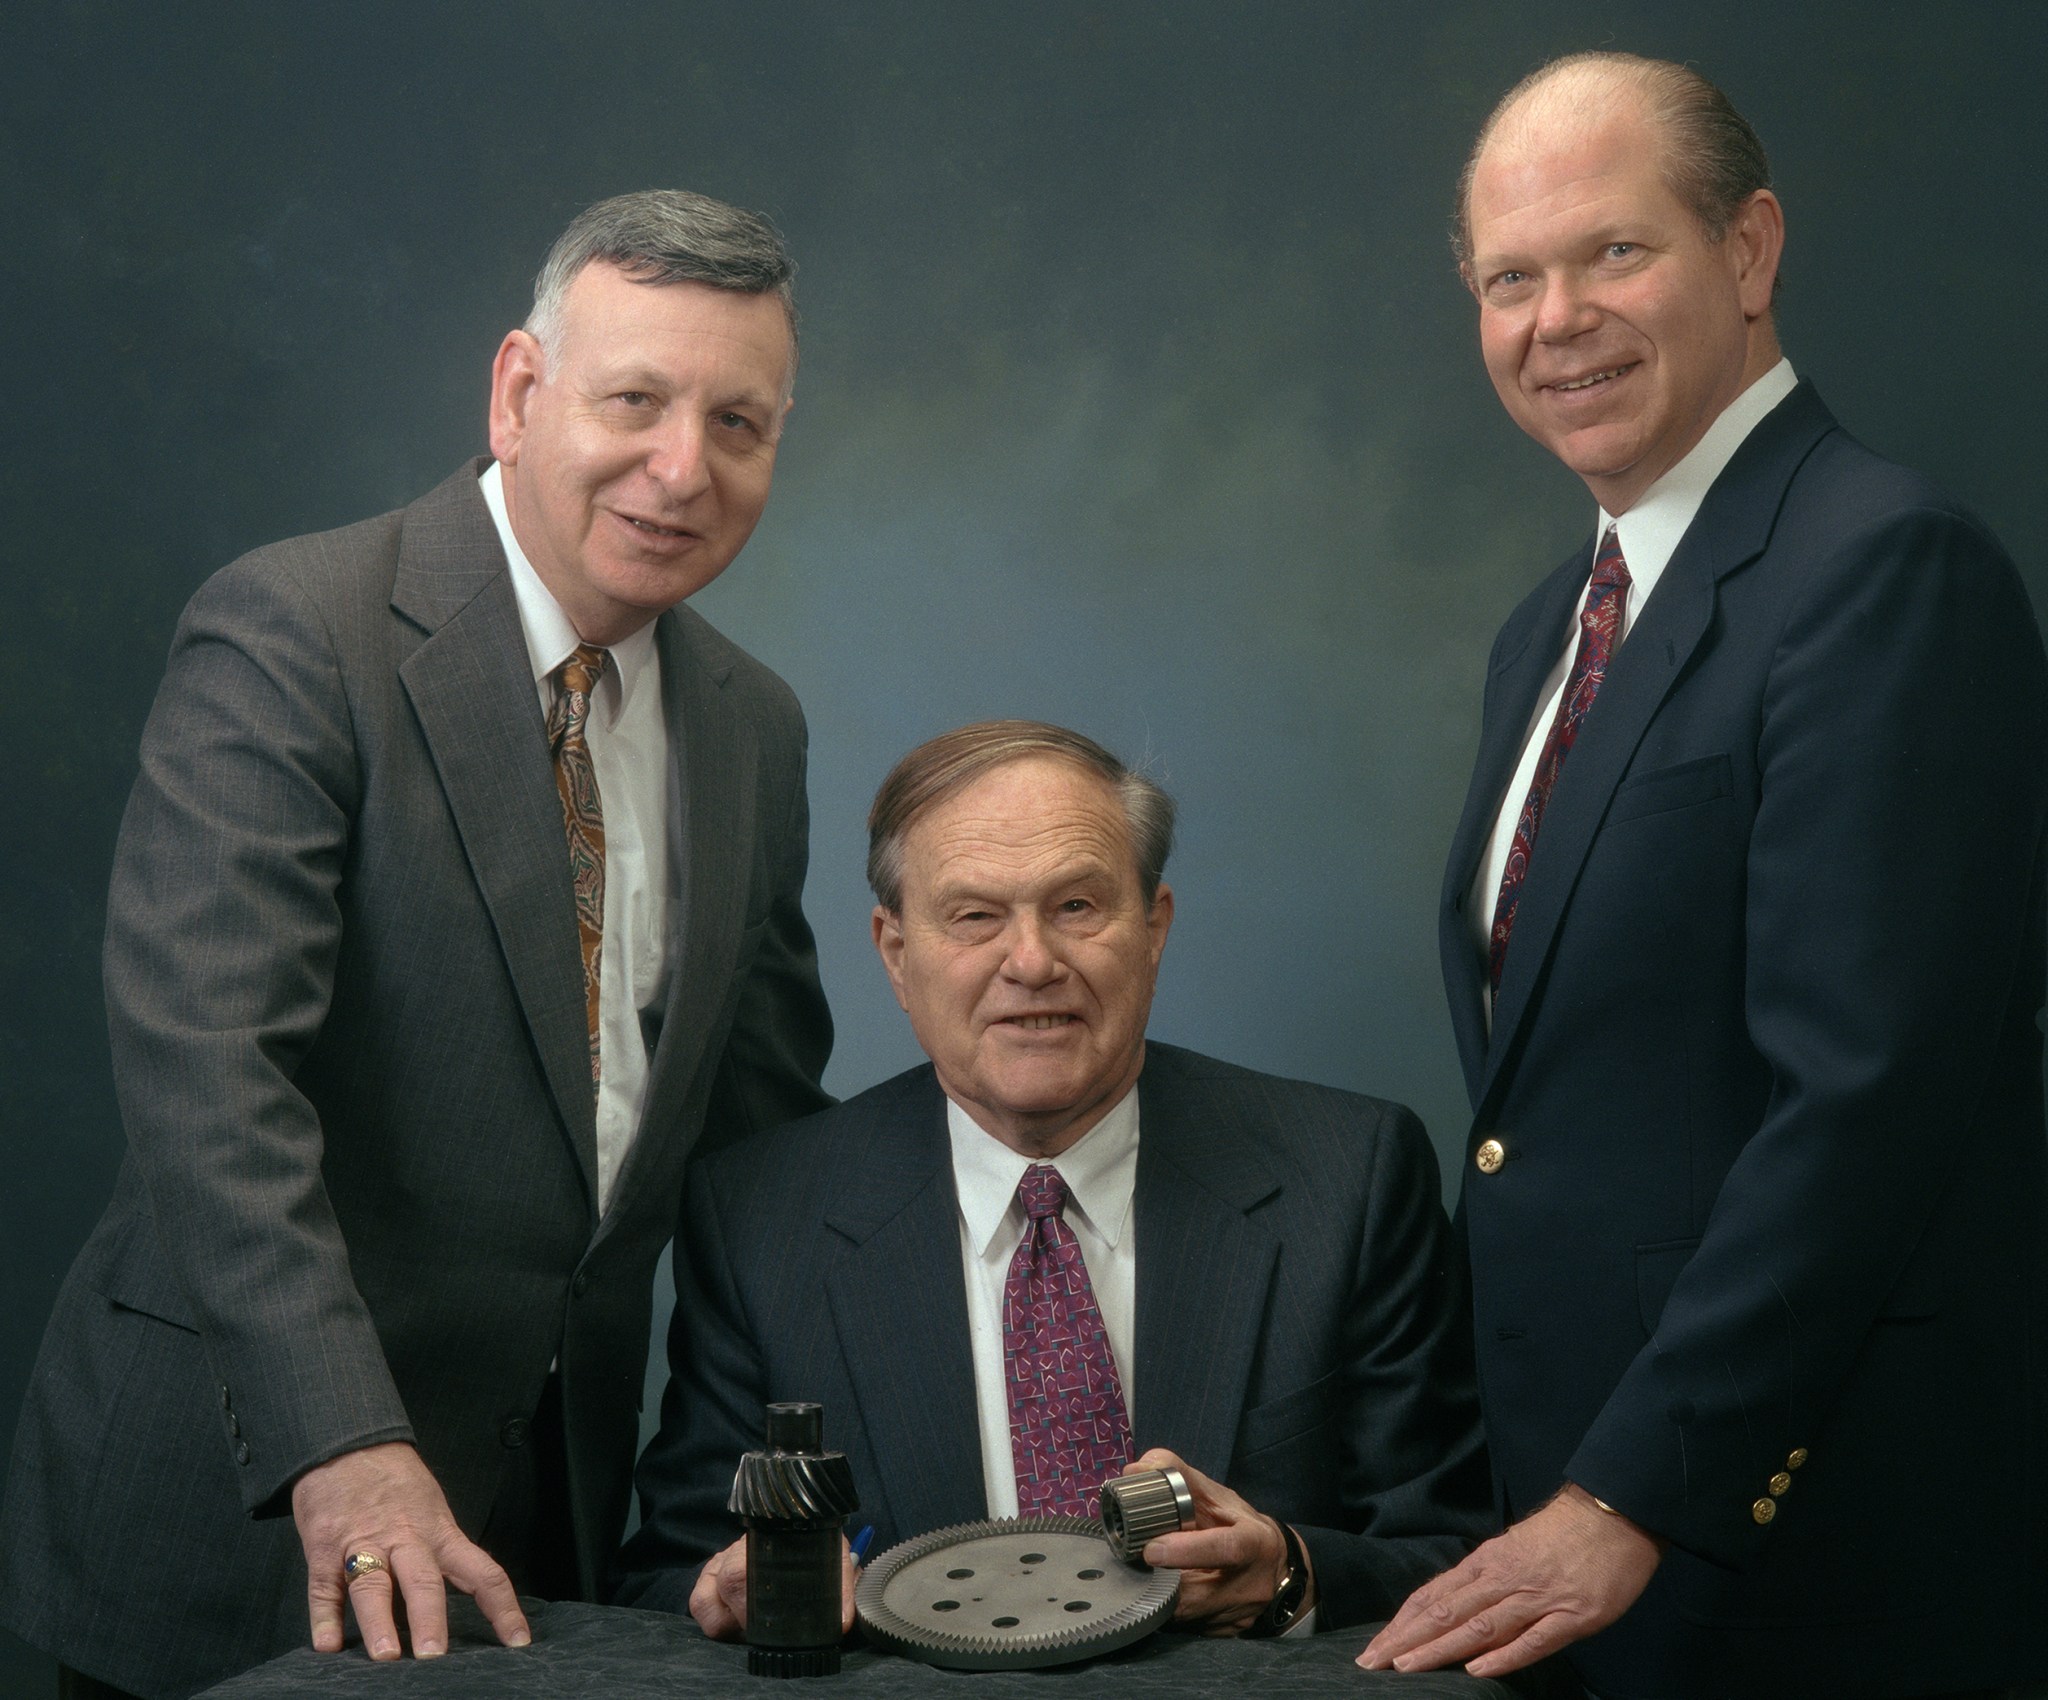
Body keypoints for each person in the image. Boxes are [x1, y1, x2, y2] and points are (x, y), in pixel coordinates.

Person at [0, 190, 834, 1700]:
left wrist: (839, 1476)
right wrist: (343, 1443)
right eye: (635, 402)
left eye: (739, 423)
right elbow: (208, 1078)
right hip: (249, 1501)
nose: (681, 469)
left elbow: (764, 1155)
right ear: (519, 391)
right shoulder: (296, 631)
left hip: (555, 1535)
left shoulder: (752, 726)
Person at [1360, 52, 2048, 1700]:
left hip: (1802, 1541)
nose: (1554, 319)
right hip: (1576, 1538)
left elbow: (1865, 1103)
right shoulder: (1549, 628)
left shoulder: (1880, 565)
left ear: (1746, 253)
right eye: (1507, 279)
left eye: (1612, 252)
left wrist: (1630, 1492)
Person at [615, 720, 1493, 1639]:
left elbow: (1452, 1550)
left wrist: (1293, 1577)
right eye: (974, 917)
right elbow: (669, 1577)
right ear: (895, 953)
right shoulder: (761, 1217)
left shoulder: (1347, 1177)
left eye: (1077, 906)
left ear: (1153, 928)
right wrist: (732, 1594)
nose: (1031, 963)